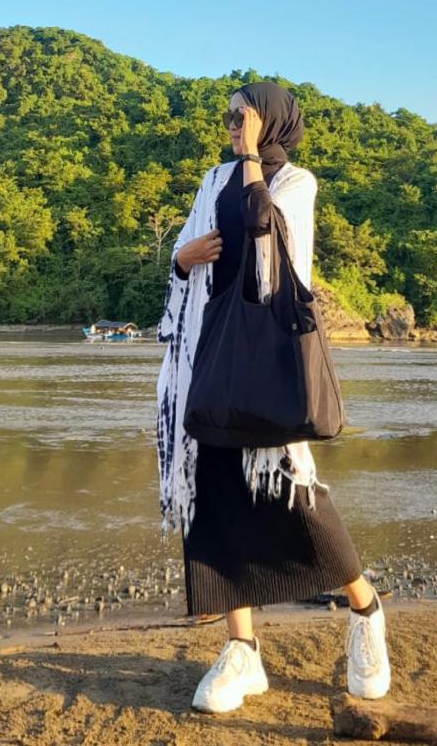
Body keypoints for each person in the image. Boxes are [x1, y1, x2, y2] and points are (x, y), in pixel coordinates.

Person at [156, 80, 390, 714]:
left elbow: (272, 255)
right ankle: (243, 649)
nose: (233, 125)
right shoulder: (212, 180)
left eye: (245, 116)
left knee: (295, 494)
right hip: (208, 359)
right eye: (230, 116)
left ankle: (366, 612)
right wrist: (183, 259)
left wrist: (254, 160)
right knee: (216, 498)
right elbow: (185, 259)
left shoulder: (296, 183)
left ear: (273, 122)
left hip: (262, 358)